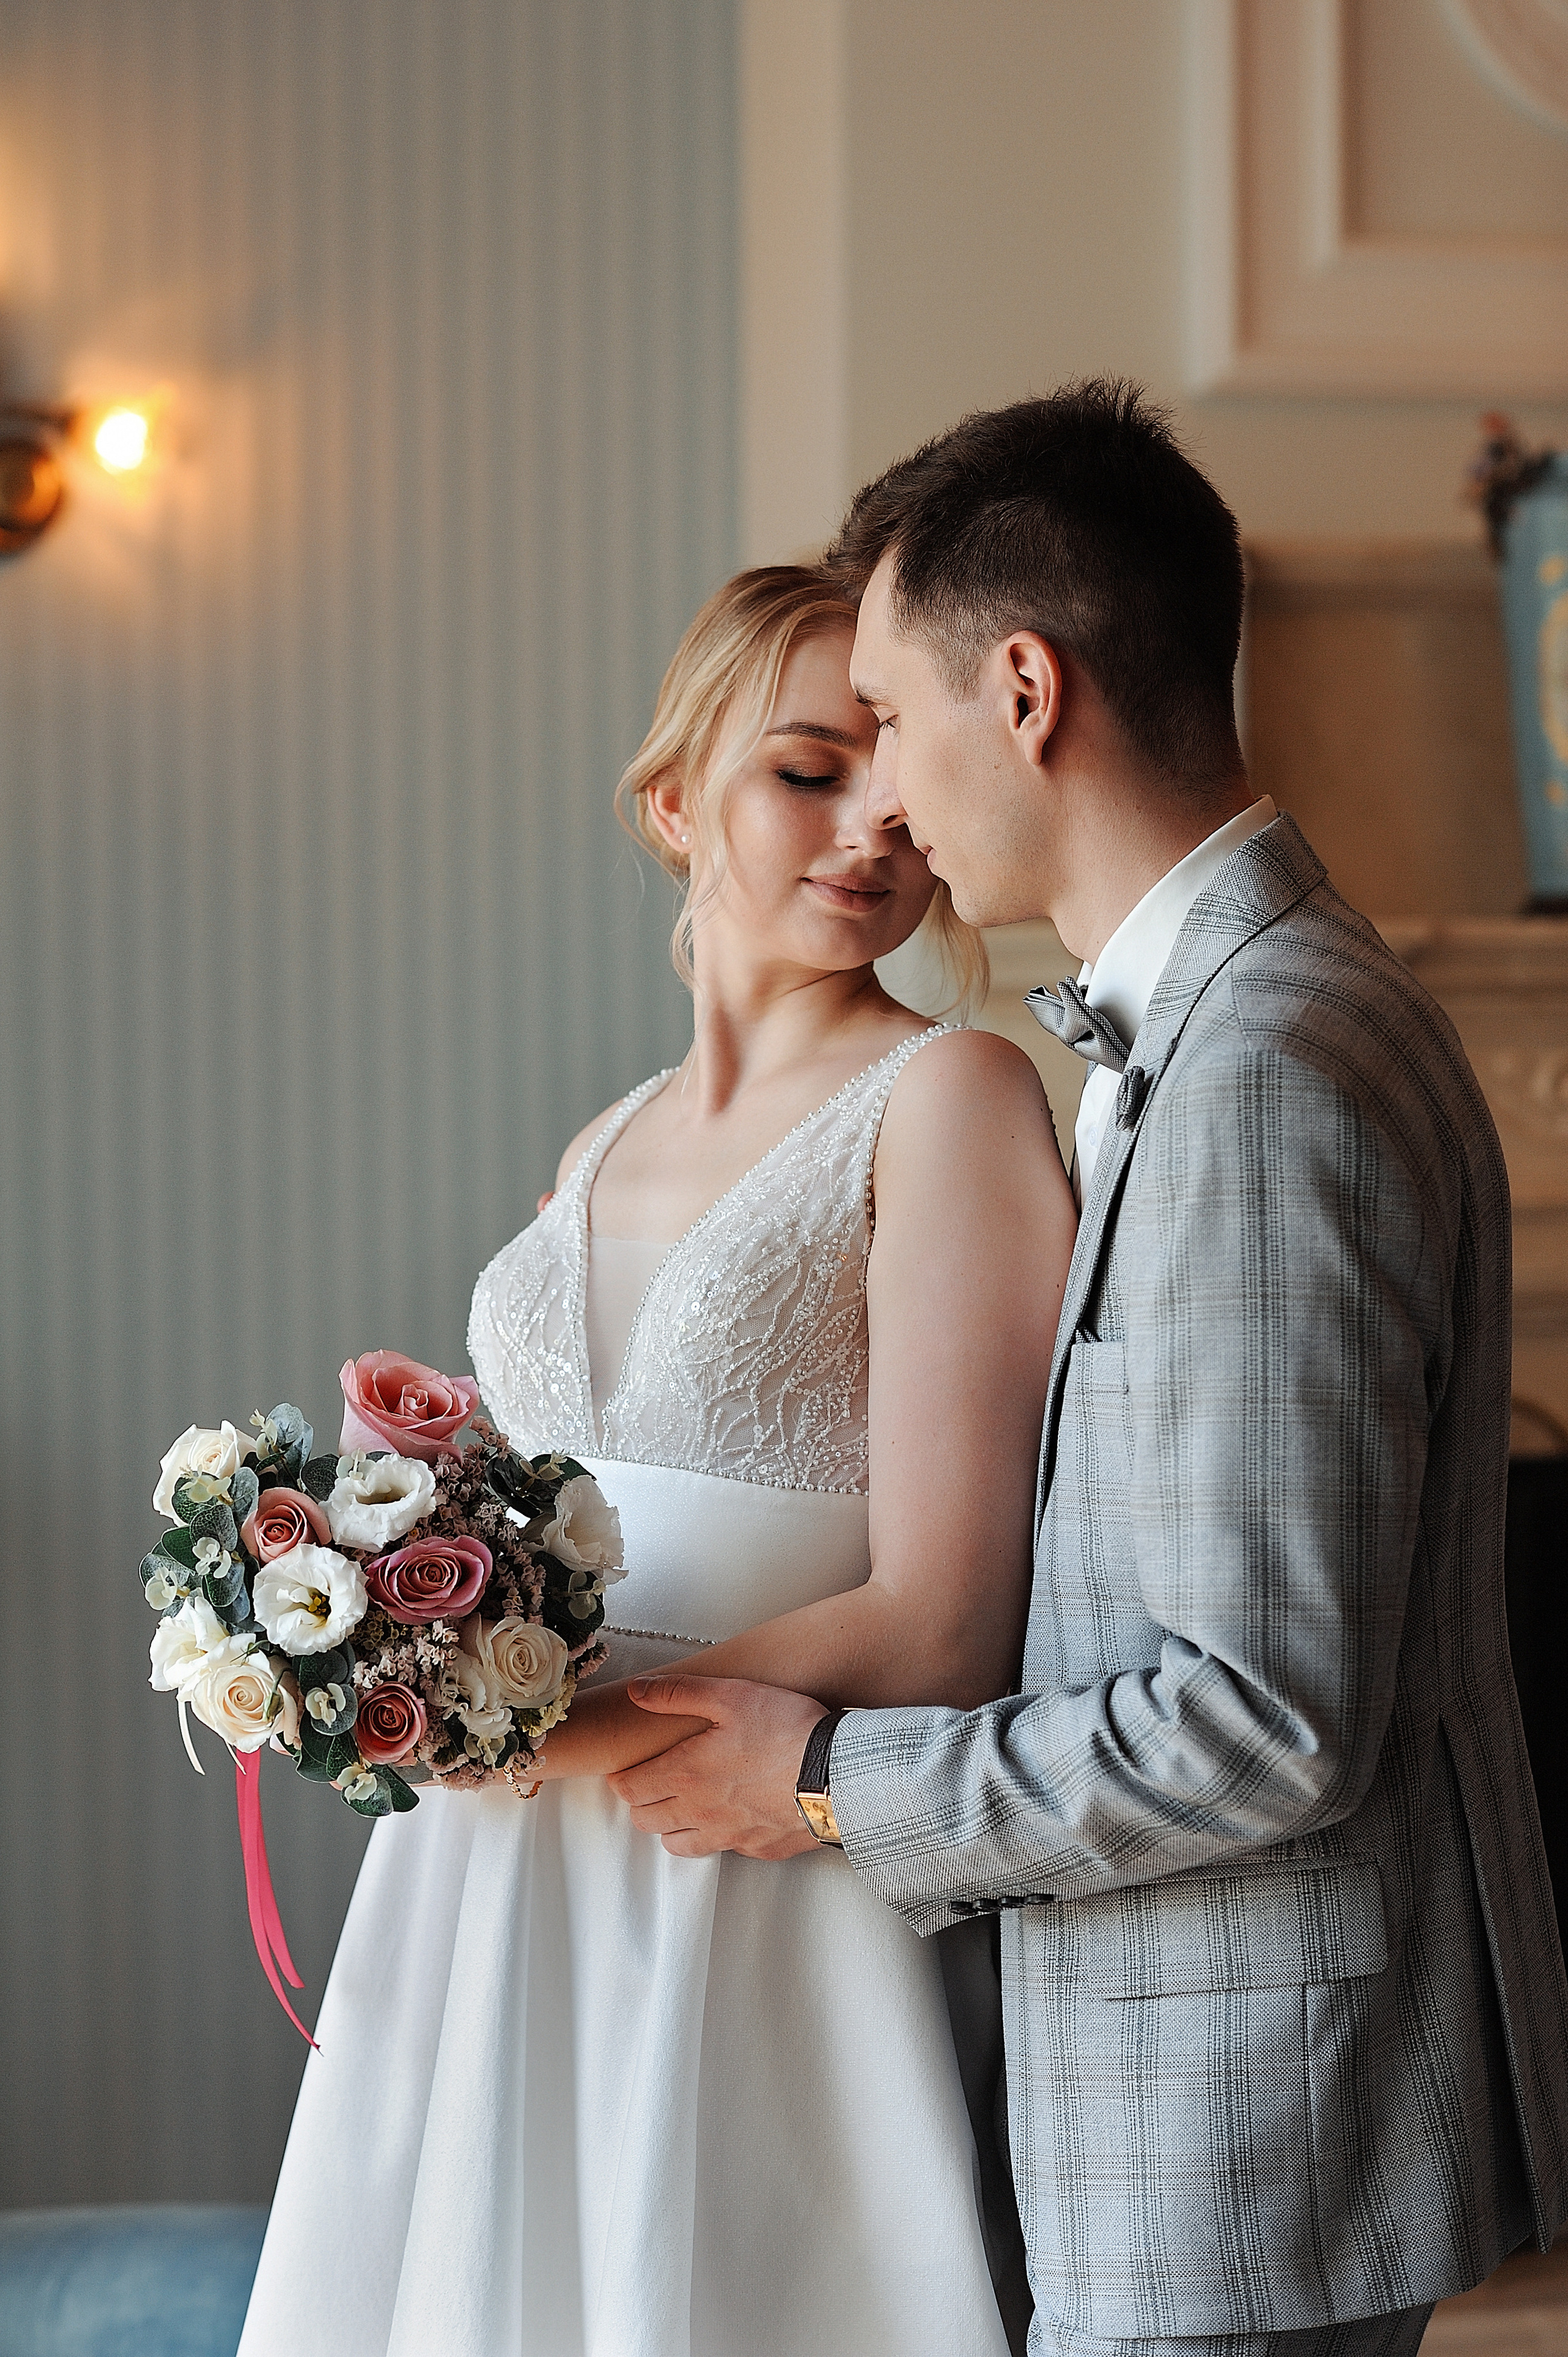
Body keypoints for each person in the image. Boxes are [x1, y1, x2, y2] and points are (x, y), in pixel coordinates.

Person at [609, 384, 1568, 2357]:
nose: (885, 794)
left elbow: (1263, 1721)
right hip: (1199, 2105)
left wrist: (818, 1789)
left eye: (892, 712)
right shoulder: (1220, 1028)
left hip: (1235, 2143)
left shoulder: (1268, 1068)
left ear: (1024, 689)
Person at [238, 564, 1075, 2357]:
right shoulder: (593, 1146)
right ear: (675, 798)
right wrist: (368, 1650)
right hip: (490, 1882)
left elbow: (946, 1620)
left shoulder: (953, 1102)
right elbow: (529, 1531)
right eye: (802, 772)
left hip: (748, 1866)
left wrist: (544, 1729)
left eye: (897, 784)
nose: (874, 826)